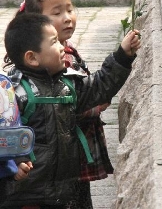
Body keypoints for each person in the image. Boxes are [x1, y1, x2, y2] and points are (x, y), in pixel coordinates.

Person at [0, 12, 140, 208]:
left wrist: (122, 56)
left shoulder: (69, 85)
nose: (62, 47)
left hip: (66, 191)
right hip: (24, 193)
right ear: (32, 58)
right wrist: (16, 161)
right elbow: (5, 136)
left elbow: (100, 86)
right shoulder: (13, 93)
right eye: (54, 42)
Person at [17, 0, 114, 209]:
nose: (68, 17)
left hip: (72, 149)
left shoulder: (66, 49)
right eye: (57, 13)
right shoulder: (52, 62)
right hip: (63, 150)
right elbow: (70, 103)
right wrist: (97, 103)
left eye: (70, 10)